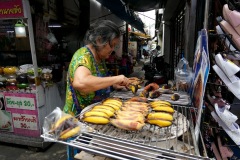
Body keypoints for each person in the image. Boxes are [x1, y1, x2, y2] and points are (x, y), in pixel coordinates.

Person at [63, 20, 129, 116]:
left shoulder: (100, 58)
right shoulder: (83, 56)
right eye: (112, 45)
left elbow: (97, 82)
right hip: (77, 119)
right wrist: (116, 78)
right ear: (99, 40)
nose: (112, 50)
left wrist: (113, 85)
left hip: (95, 114)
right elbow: (81, 83)